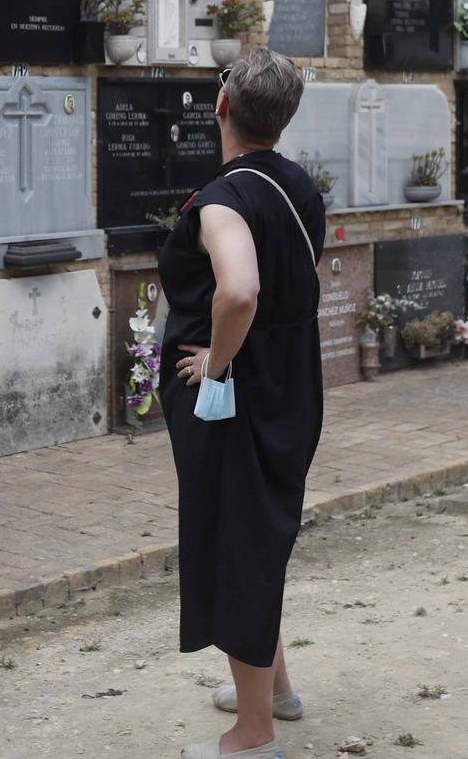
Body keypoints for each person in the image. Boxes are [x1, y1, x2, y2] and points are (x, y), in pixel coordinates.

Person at [163, 49, 325, 759]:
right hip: (292, 381)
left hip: (236, 395)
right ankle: (275, 690)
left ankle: (253, 735)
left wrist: (216, 365)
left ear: (223, 106)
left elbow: (239, 290)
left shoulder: (223, 199)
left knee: (235, 540)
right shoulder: (300, 186)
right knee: (257, 531)